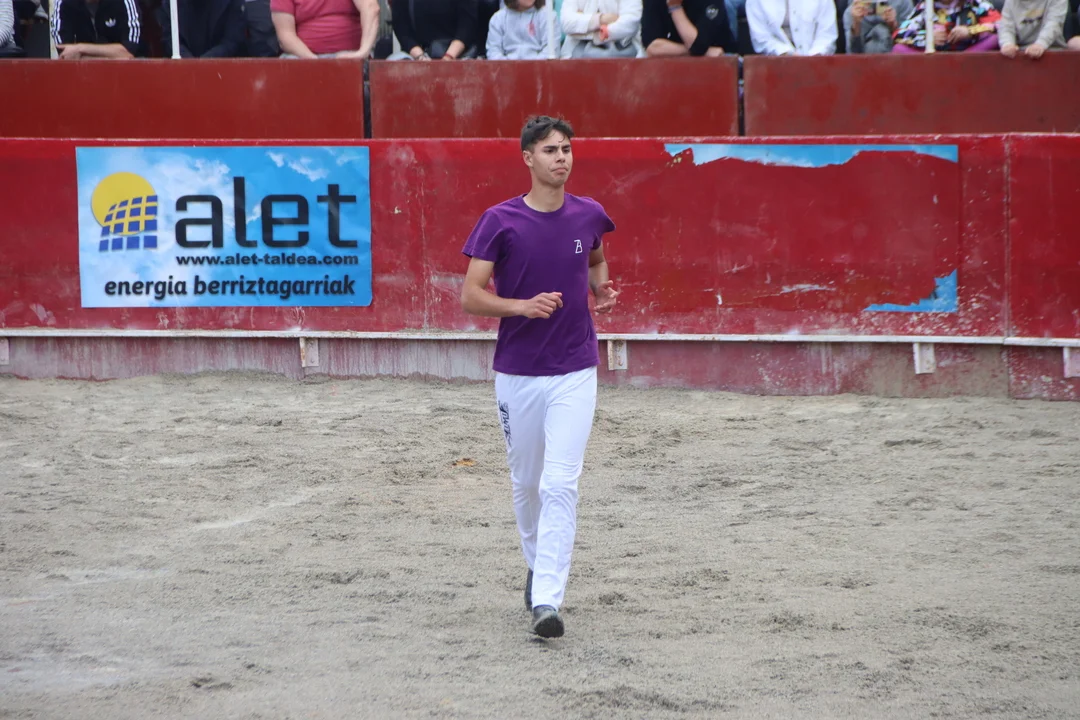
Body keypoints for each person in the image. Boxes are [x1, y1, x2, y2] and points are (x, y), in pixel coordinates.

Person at [459, 116, 618, 640]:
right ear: (528, 158)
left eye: (566, 149)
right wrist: (521, 306)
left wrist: (601, 289)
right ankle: (537, 566)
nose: (561, 158)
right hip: (519, 372)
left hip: (575, 368)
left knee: (560, 482)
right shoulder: (500, 221)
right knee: (527, 483)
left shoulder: (589, 213)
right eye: (550, 150)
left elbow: (596, 259)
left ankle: (547, 598)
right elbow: (471, 296)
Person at [270, 0, 379, 58]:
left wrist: (362, 52)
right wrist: (315, 62)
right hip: (301, 57)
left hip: (351, 56)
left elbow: (371, 8)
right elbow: (285, 36)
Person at [892, 0, 1001, 51]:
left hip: (969, 58)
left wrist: (970, 31)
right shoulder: (925, 6)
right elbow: (898, 35)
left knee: (995, 39)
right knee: (898, 49)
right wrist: (928, 37)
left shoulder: (975, 3)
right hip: (934, 62)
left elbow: (1001, 25)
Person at [50, 0, 146, 58]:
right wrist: (113, 55)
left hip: (127, 71)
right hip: (83, 73)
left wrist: (80, 48)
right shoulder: (64, 3)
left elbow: (128, 53)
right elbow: (65, 55)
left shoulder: (124, 2)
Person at [389, 0, 480, 59]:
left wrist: (448, 57)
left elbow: (467, 26)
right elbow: (401, 27)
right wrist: (420, 57)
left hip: (457, 55)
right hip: (419, 55)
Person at [642, 0, 736, 56]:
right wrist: (706, 52)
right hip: (676, 64)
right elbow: (652, 47)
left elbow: (697, 46)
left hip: (721, 62)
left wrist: (675, 7)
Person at [158, 0, 247, 57]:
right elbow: (169, 39)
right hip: (182, 70)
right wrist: (189, 62)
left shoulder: (231, 2)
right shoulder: (171, 3)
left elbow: (232, 41)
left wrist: (203, 62)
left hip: (223, 69)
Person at [746, 0, 838, 55]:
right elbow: (761, 39)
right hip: (775, 68)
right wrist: (787, 55)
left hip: (817, 67)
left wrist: (812, 59)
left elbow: (827, 35)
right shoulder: (755, 1)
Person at [560, 0, 643, 57]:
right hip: (577, 53)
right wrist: (600, 19)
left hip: (622, 52)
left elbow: (630, 23)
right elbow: (567, 23)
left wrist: (583, 28)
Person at [486, 0, 556, 59]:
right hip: (506, 69)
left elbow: (550, 52)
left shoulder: (548, 16)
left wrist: (531, 66)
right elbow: (493, 52)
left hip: (540, 68)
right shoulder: (498, 18)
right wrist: (510, 67)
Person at [998, 0, 1067, 56]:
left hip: (1052, 49)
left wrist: (1040, 44)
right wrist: (1007, 44)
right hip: (1019, 51)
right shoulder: (1010, 2)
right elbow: (1006, 27)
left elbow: (1054, 24)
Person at [845, 0, 913, 52]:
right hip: (863, 61)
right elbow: (852, 53)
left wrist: (893, 25)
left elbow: (910, 47)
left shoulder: (903, 2)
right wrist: (856, 24)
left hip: (896, 58)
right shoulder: (853, 10)